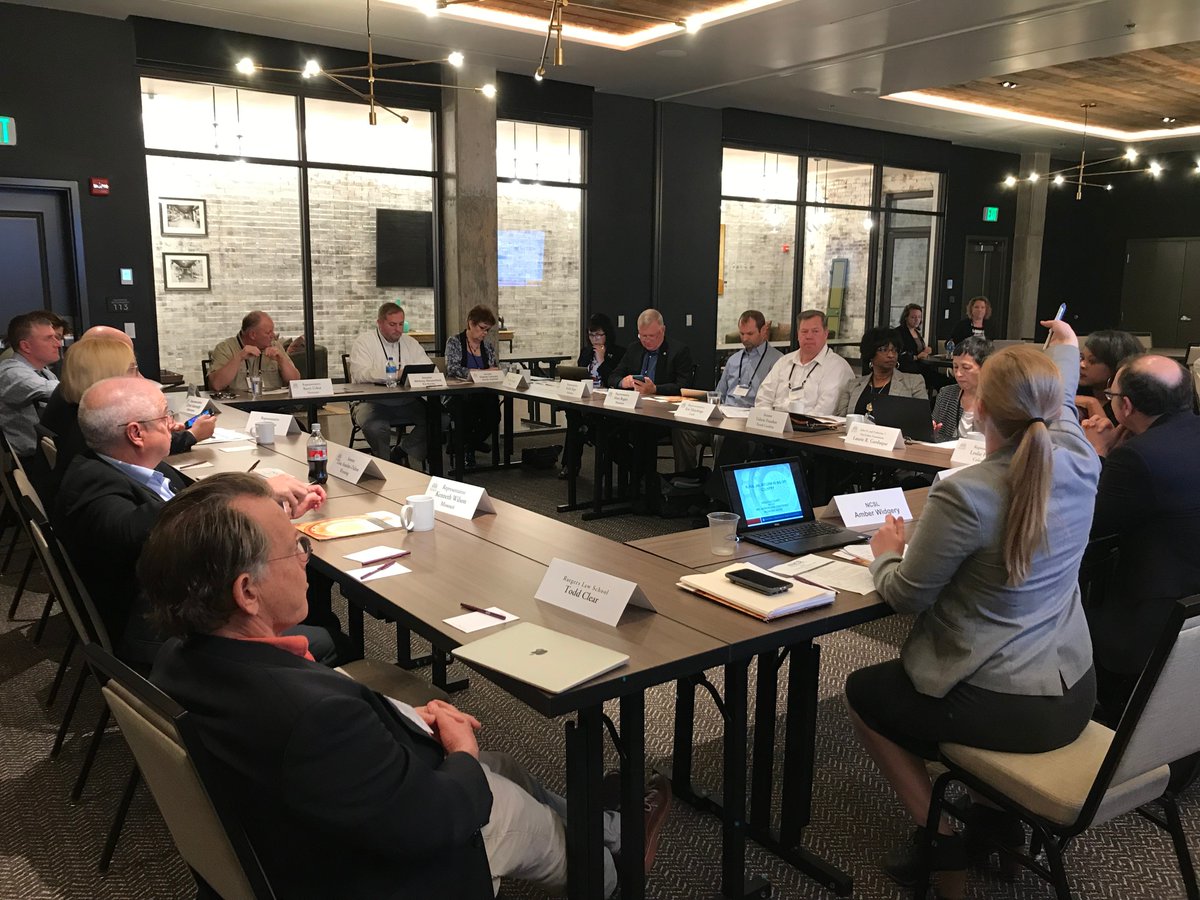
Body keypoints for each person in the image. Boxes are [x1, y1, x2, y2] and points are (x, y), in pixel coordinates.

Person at [142, 473, 672, 899]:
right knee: (501, 795)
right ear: (247, 592)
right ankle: (614, 875)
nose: (307, 559)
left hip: (304, 829)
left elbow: (321, 741)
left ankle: (607, 828)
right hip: (386, 872)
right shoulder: (313, 718)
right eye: (296, 548)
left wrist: (404, 718)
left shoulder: (176, 659)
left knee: (504, 766)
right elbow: (434, 822)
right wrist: (460, 752)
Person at [844, 321, 1098, 893]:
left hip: (1000, 703)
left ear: (978, 407)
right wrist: (1066, 344)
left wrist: (886, 555)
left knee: (863, 694)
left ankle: (942, 842)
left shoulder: (965, 490)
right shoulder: (1081, 457)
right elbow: (1061, 403)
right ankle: (999, 828)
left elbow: (908, 595)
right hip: (1075, 690)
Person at [52, 377, 335, 666]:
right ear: (136, 433)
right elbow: (144, 528)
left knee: (304, 577)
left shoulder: (137, 469)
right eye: (165, 416)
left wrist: (267, 513)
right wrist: (251, 494)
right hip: (169, 636)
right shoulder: (93, 489)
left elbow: (191, 520)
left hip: (189, 597)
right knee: (327, 637)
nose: (175, 425)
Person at [1080, 354, 1200, 722]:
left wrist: (1097, 454)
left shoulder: (1138, 457)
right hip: (1191, 604)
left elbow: (1087, 524)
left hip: (1147, 619)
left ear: (1126, 406)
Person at [40, 333, 217, 482]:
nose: (141, 378)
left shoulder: (69, 402)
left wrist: (157, 428)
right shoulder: (90, 426)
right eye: (133, 370)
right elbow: (132, 446)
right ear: (109, 375)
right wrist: (191, 435)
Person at [673, 310, 782, 472]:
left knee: (723, 436)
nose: (744, 339)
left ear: (763, 331)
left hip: (750, 421)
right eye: (742, 333)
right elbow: (719, 394)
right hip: (723, 416)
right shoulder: (734, 360)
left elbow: (775, 402)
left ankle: (718, 483)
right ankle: (687, 478)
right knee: (682, 430)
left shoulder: (777, 360)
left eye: (750, 334)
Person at [348, 302, 431, 469]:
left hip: (406, 401)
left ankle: (400, 452)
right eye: (392, 324)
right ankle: (385, 467)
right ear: (379, 323)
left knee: (440, 419)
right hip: (371, 402)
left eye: (401, 324)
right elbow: (359, 374)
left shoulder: (410, 343)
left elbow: (430, 368)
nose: (398, 329)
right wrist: (394, 374)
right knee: (375, 427)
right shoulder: (364, 342)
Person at [0, 311, 64, 494]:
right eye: (49, 338)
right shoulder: (11, 373)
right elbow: (56, 391)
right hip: (28, 464)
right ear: (26, 346)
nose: (58, 344)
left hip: (41, 459)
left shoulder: (44, 372)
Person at [561, 313, 625, 479]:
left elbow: (613, 379)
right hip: (587, 397)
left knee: (580, 422)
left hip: (607, 401)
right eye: (591, 335)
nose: (595, 339)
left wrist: (602, 361)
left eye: (599, 335)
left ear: (607, 334)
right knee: (572, 414)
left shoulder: (618, 353)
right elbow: (579, 373)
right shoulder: (586, 352)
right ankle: (570, 464)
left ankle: (578, 454)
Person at [755, 310, 854, 415]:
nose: (809, 336)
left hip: (811, 424)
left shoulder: (837, 367)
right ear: (798, 335)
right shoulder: (784, 362)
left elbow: (823, 412)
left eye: (815, 331)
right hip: (774, 422)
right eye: (804, 331)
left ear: (826, 334)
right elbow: (763, 398)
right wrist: (768, 419)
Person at [445, 304, 502, 469]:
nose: (484, 333)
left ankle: (466, 443)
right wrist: (478, 372)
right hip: (458, 393)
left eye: (487, 330)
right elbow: (452, 368)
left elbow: (493, 368)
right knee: (467, 412)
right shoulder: (455, 342)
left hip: (483, 393)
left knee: (494, 415)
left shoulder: (487, 346)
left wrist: (490, 372)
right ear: (471, 323)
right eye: (482, 328)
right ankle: (469, 446)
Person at [836, 327, 926, 417]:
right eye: (884, 350)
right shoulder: (853, 385)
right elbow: (840, 419)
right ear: (870, 353)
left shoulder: (914, 383)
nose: (891, 355)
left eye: (895, 350)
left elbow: (921, 418)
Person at [208, 310, 301, 393]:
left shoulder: (275, 346)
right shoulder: (225, 348)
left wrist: (282, 360)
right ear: (252, 335)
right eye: (268, 332)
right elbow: (216, 385)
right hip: (238, 405)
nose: (273, 335)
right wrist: (239, 358)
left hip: (274, 404)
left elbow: (296, 382)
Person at [608, 308, 696, 396]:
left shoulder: (678, 351)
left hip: (664, 401)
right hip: (635, 399)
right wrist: (622, 382)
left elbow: (684, 386)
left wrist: (655, 389)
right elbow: (613, 377)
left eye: (651, 336)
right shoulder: (634, 349)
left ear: (662, 330)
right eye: (643, 336)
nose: (647, 340)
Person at [930, 336, 992, 442]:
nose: (958, 374)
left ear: (985, 367)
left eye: (966, 368)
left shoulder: (998, 399)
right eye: (955, 367)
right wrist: (932, 432)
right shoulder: (946, 394)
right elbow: (933, 428)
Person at [1075, 329, 1143, 424]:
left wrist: (1092, 403)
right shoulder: (1075, 389)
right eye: (1082, 358)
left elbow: (1106, 433)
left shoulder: (1128, 403)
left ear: (1116, 365)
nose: (1081, 364)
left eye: (1092, 361)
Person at [894, 304, 932, 372]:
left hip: (921, 366)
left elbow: (918, 351)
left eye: (919, 317)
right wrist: (916, 357)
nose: (917, 320)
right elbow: (898, 355)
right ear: (906, 317)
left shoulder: (917, 332)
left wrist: (926, 350)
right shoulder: (898, 333)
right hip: (908, 369)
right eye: (913, 317)